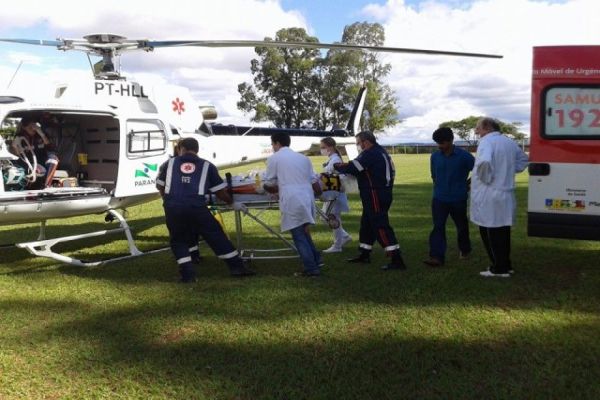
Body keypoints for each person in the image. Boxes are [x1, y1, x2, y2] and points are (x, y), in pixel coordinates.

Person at [156, 137, 255, 283]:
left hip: (174, 208)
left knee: (178, 239)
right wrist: (232, 203)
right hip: (197, 207)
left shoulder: (168, 164)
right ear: (197, 150)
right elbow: (220, 192)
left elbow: (160, 186)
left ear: (180, 149)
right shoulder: (207, 166)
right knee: (216, 235)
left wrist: (168, 201)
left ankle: (188, 274)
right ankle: (237, 267)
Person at [334, 130, 407, 271]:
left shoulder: (370, 153)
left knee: (380, 225)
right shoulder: (380, 151)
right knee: (367, 223)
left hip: (375, 193)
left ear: (366, 142)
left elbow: (353, 167)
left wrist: (337, 165)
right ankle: (364, 253)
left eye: (358, 144)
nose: (358, 146)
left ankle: (396, 258)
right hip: (381, 192)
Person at [471, 117, 529, 278]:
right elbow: (524, 160)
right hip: (506, 193)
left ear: (487, 128)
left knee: (491, 230)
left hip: (490, 194)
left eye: (478, 128)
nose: (477, 131)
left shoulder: (487, 142)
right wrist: (508, 170)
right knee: (503, 231)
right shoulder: (508, 142)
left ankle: (499, 268)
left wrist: (487, 178)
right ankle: (505, 264)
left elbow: (483, 163)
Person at [263, 132, 323, 277]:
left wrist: (265, 188)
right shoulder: (303, 157)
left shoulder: (274, 158)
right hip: (307, 196)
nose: (272, 147)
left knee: (298, 235)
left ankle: (311, 269)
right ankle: (316, 259)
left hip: (292, 198)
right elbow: (314, 180)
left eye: (272, 144)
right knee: (304, 230)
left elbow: (269, 182)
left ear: (277, 143)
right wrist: (319, 194)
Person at [423, 127, 475, 267]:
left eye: (443, 143)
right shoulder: (434, 156)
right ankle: (437, 257)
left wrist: (468, 184)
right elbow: (434, 175)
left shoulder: (465, 156)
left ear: (451, 140)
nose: (440, 146)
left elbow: (478, 172)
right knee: (438, 227)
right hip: (439, 199)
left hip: (458, 199)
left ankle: (465, 249)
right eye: (438, 143)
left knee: (461, 226)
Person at [319, 137, 352, 253]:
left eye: (323, 147)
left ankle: (337, 245)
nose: (322, 149)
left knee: (332, 217)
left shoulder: (335, 160)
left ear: (330, 147)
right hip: (331, 193)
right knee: (326, 217)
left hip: (335, 193)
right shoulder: (332, 159)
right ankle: (344, 236)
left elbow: (341, 176)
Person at [11, 116, 59, 188]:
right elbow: (17, 155)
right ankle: (28, 187)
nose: (33, 129)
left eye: (34, 126)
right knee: (35, 170)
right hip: (28, 162)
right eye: (30, 127)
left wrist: (41, 133)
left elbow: (49, 146)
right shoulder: (19, 137)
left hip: (41, 159)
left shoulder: (40, 135)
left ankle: (46, 186)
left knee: (53, 159)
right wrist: (14, 147)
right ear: (24, 127)